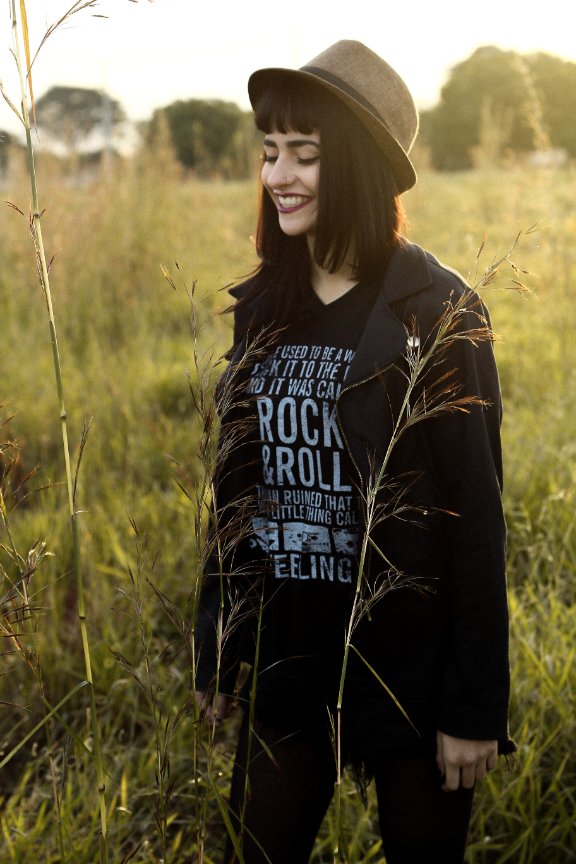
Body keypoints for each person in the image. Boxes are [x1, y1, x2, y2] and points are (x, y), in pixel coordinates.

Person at [194, 40, 515, 864]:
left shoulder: (438, 309)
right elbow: (239, 488)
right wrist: (220, 637)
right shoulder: (265, 303)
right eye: (270, 151)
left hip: (409, 667)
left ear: (362, 170)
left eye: (305, 155)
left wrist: (475, 706)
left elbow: (477, 517)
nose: (279, 176)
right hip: (291, 654)